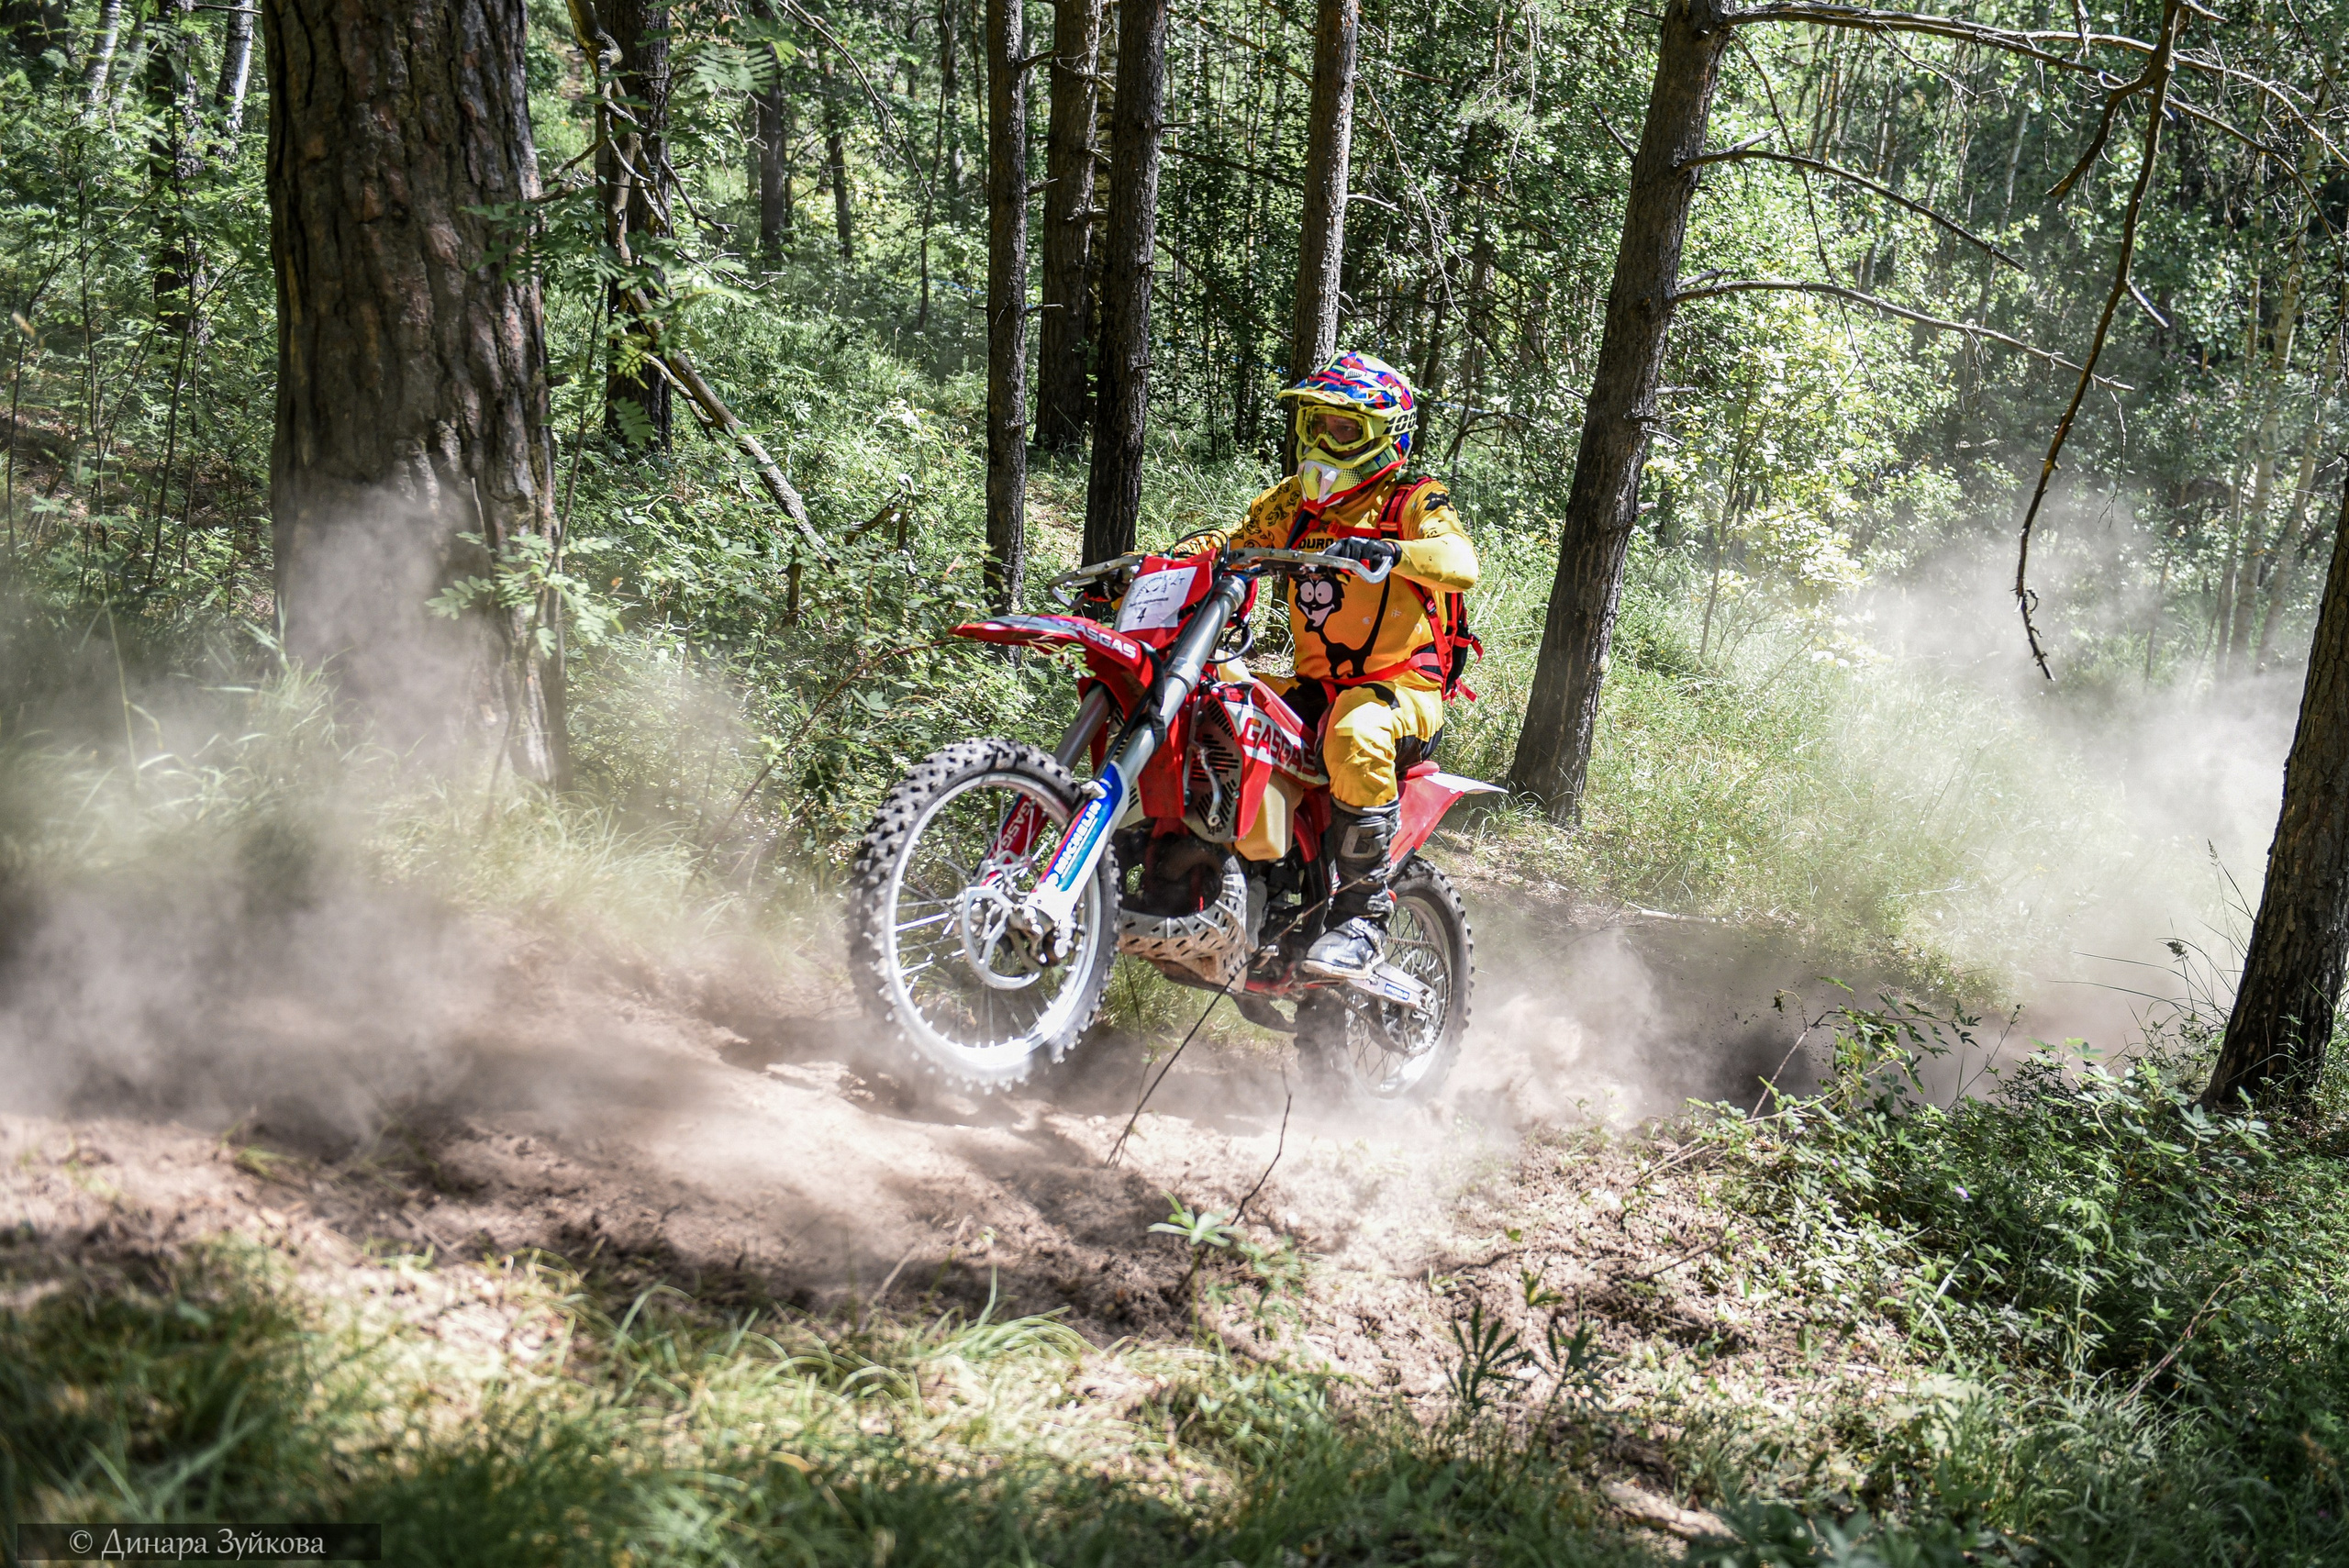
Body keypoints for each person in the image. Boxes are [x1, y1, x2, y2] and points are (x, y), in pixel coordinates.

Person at [1174, 351, 1479, 979]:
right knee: (1221, 701)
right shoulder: (1296, 503)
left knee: (1353, 729)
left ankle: (1363, 916)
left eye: (1341, 428)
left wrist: (1394, 550)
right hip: (1317, 685)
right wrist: (1169, 562)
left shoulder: (1412, 500)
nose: (1321, 440)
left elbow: (1461, 561)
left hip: (1401, 693)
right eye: (1314, 423)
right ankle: (1239, 880)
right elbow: (1235, 543)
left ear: (1383, 434)